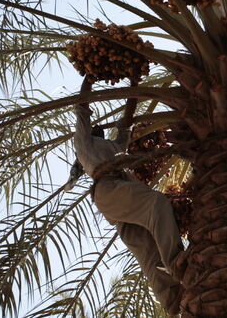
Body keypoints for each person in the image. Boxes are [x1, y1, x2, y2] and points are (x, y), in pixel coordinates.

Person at [73, 77, 184, 316]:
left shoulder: (116, 146)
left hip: (119, 195)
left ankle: (172, 299)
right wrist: (88, 79)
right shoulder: (84, 144)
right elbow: (82, 106)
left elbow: (127, 120)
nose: (98, 127)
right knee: (156, 203)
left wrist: (134, 85)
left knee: (146, 246)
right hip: (109, 189)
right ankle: (177, 262)